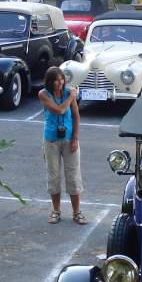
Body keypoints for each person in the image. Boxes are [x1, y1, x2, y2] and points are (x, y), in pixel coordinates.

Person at [39, 66, 85, 225]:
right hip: (51, 139)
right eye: (56, 81)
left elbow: (76, 117)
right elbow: (59, 110)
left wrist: (75, 139)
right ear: (49, 82)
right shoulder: (44, 94)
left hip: (69, 139)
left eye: (61, 80)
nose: (59, 83)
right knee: (54, 176)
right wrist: (71, 97)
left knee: (73, 175)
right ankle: (56, 211)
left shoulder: (69, 92)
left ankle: (76, 212)